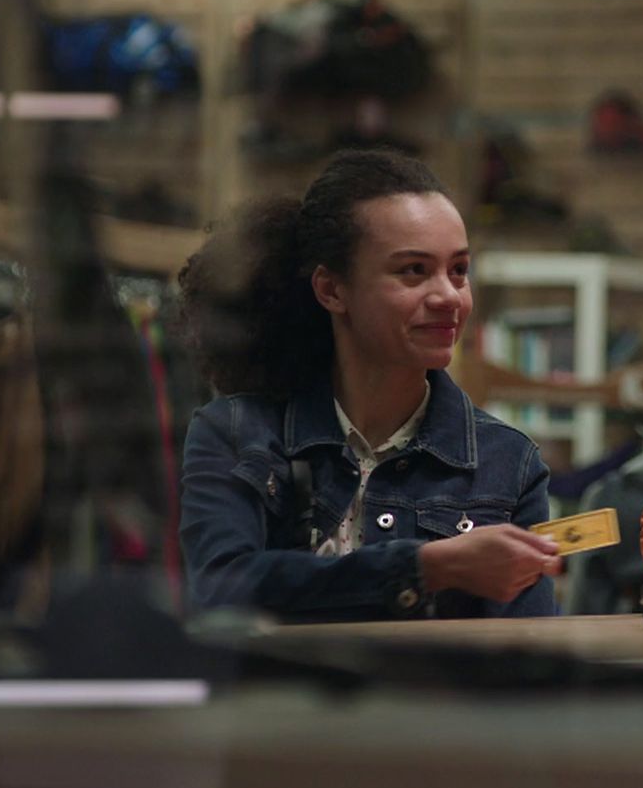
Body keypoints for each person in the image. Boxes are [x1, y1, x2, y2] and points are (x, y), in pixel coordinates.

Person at [177, 149, 560, 621]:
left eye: (459, 270)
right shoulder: (238, 433)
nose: (448, 296)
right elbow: (218, 590)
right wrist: (423, 568)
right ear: (332, 290)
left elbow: (528, 655)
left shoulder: (508, 464)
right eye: (413, 271)